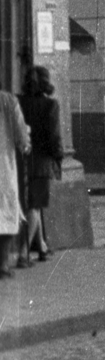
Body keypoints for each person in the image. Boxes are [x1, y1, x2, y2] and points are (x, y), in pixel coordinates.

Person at [17, 66, 63, 263]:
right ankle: (23, 252)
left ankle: (42, 245)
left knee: (33, 205)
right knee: (35, 207)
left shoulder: (19, 102)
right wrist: (58, 157)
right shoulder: (50, 105)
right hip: (42, 162)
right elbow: (54, 136)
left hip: (22, 160)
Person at [0, 90, 31, 279]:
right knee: (7, 215)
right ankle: (2, 264)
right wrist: (25, 144)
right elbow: (21, 133)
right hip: (3, 167)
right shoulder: (9, 101)